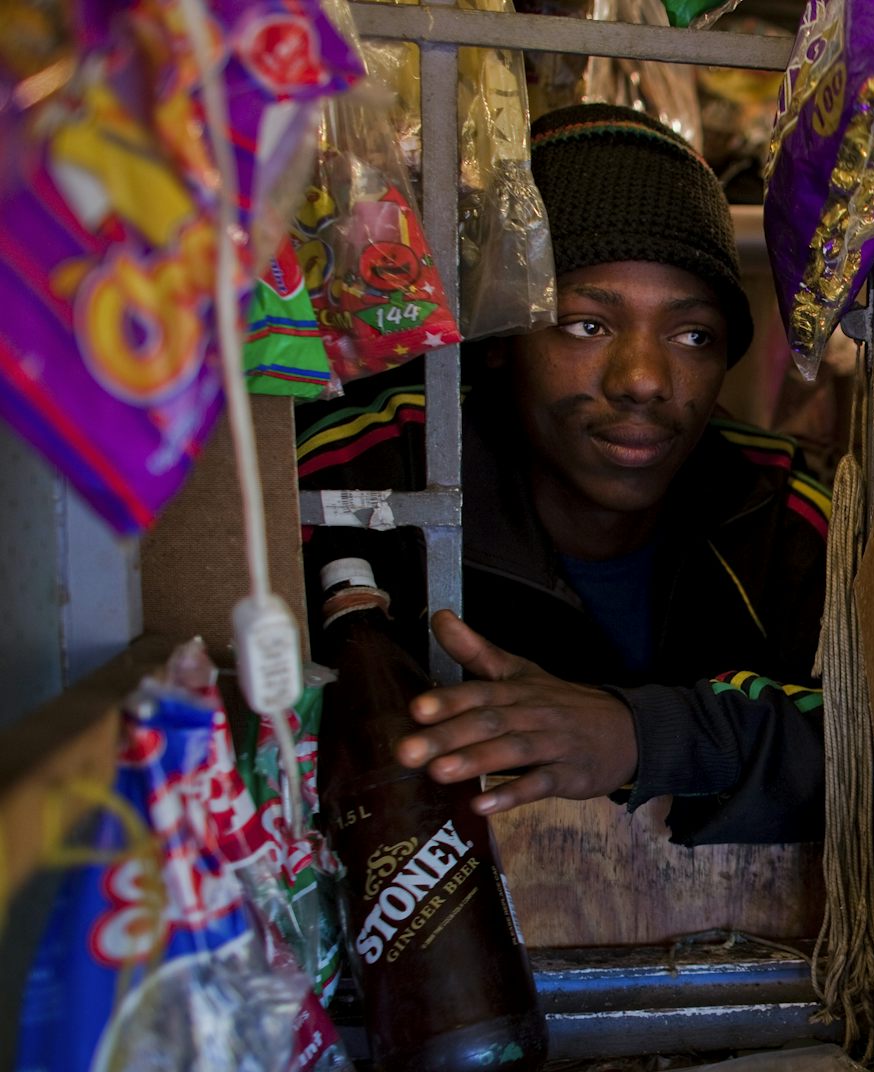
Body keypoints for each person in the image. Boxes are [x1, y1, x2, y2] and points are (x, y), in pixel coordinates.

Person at [307, 104, 829, 845]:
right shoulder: (369, 475)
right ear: (499, 339)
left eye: (692, 334)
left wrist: (641, 737)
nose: (645, 379)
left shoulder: (780, 514)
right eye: (587, 324)